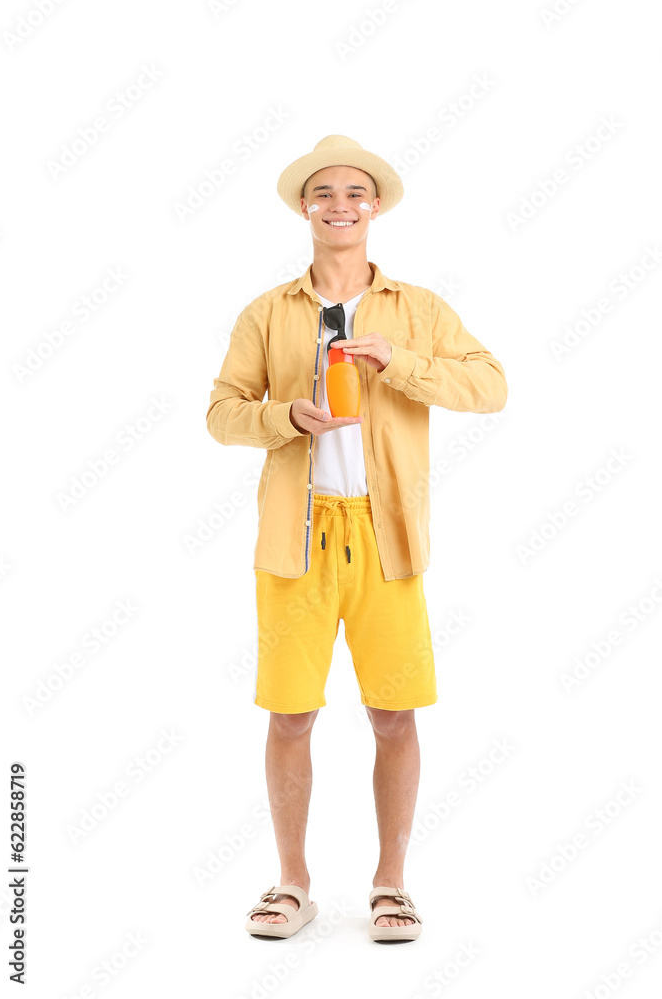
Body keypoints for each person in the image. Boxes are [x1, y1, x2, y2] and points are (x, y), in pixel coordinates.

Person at [206, 134, 508, 942]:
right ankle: (291, 882)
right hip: (294, 544)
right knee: (291, 715)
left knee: (394, 714)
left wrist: (401, 364)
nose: (339, 205)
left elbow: (490, 385)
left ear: (374, 207)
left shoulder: (417, 311)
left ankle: (390, 884)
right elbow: (220, 413)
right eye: (323, 193)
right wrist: (284, 417)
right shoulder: (268, 312)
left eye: (354, 193)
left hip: (387, 539)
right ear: (305, 208)